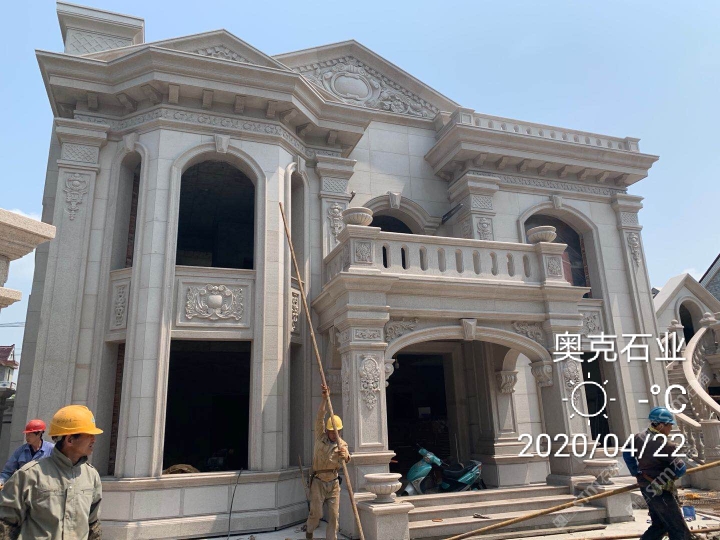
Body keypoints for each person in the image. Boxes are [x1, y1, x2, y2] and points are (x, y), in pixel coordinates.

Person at [0, 405, 104, 539]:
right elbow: (6, 525)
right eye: (89, 435)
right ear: (70, 439)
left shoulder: (92, 476)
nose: (94, 439)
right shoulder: (29, 475)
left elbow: (93, 526)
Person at [622, 406, 695, 540]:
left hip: (645, 486)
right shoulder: (666, 444)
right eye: (669, 425)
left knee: (660, 525)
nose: (671, 428)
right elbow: (681, 468)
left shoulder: (638, 437)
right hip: (661, 491)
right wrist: (674, 477)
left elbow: (627, 453)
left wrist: (636, 471)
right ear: (661, 425)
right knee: (678, 529)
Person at [305, 384, 350, 540]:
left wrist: (345, 456)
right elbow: (319, 417)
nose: (333, 434)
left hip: (333, 483)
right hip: (318, 481)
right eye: (331, 432)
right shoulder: (320, 437)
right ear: (327, 431)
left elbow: (347, 458)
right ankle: (309, 530)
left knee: (334, 516)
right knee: (316, 513)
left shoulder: (341, 444)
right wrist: (324, 399)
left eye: (336, 432)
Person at [0, 419, 54, 489]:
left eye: (30, 435)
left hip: (42, 490)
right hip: (23, 490)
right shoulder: (20, 451)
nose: (27, 438)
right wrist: (1, 481)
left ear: (39, 434)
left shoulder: (51, 450)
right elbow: (7, 472)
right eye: (26, 434)